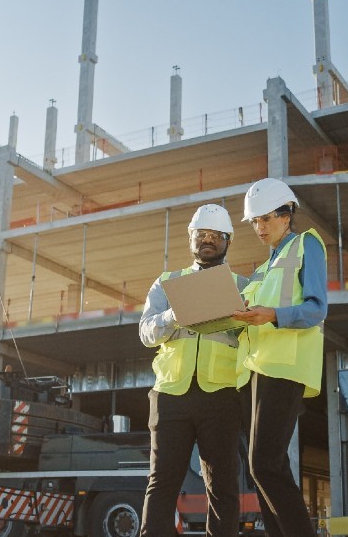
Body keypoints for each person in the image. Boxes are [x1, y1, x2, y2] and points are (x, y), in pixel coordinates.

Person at [139, 204, 247, 537]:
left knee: (223, 485)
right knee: (161, 483)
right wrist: (173, 315)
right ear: (191, 239)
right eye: (201, 236)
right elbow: (145, 333)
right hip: (172, 394)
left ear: (227, 241)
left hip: (221, 395)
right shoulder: (167, 283)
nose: (208, 241)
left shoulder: (243, 285)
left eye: (215, 236)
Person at [231, 178, 327, 537]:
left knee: (264, 463)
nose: (260, 227)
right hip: (254, 372)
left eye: (266, 218)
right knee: (261, 468)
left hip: (284, 367)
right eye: (254, 221)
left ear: (287, 215)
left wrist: (272, 315)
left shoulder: (307, 246)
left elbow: (317, 309)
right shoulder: (263, 269)